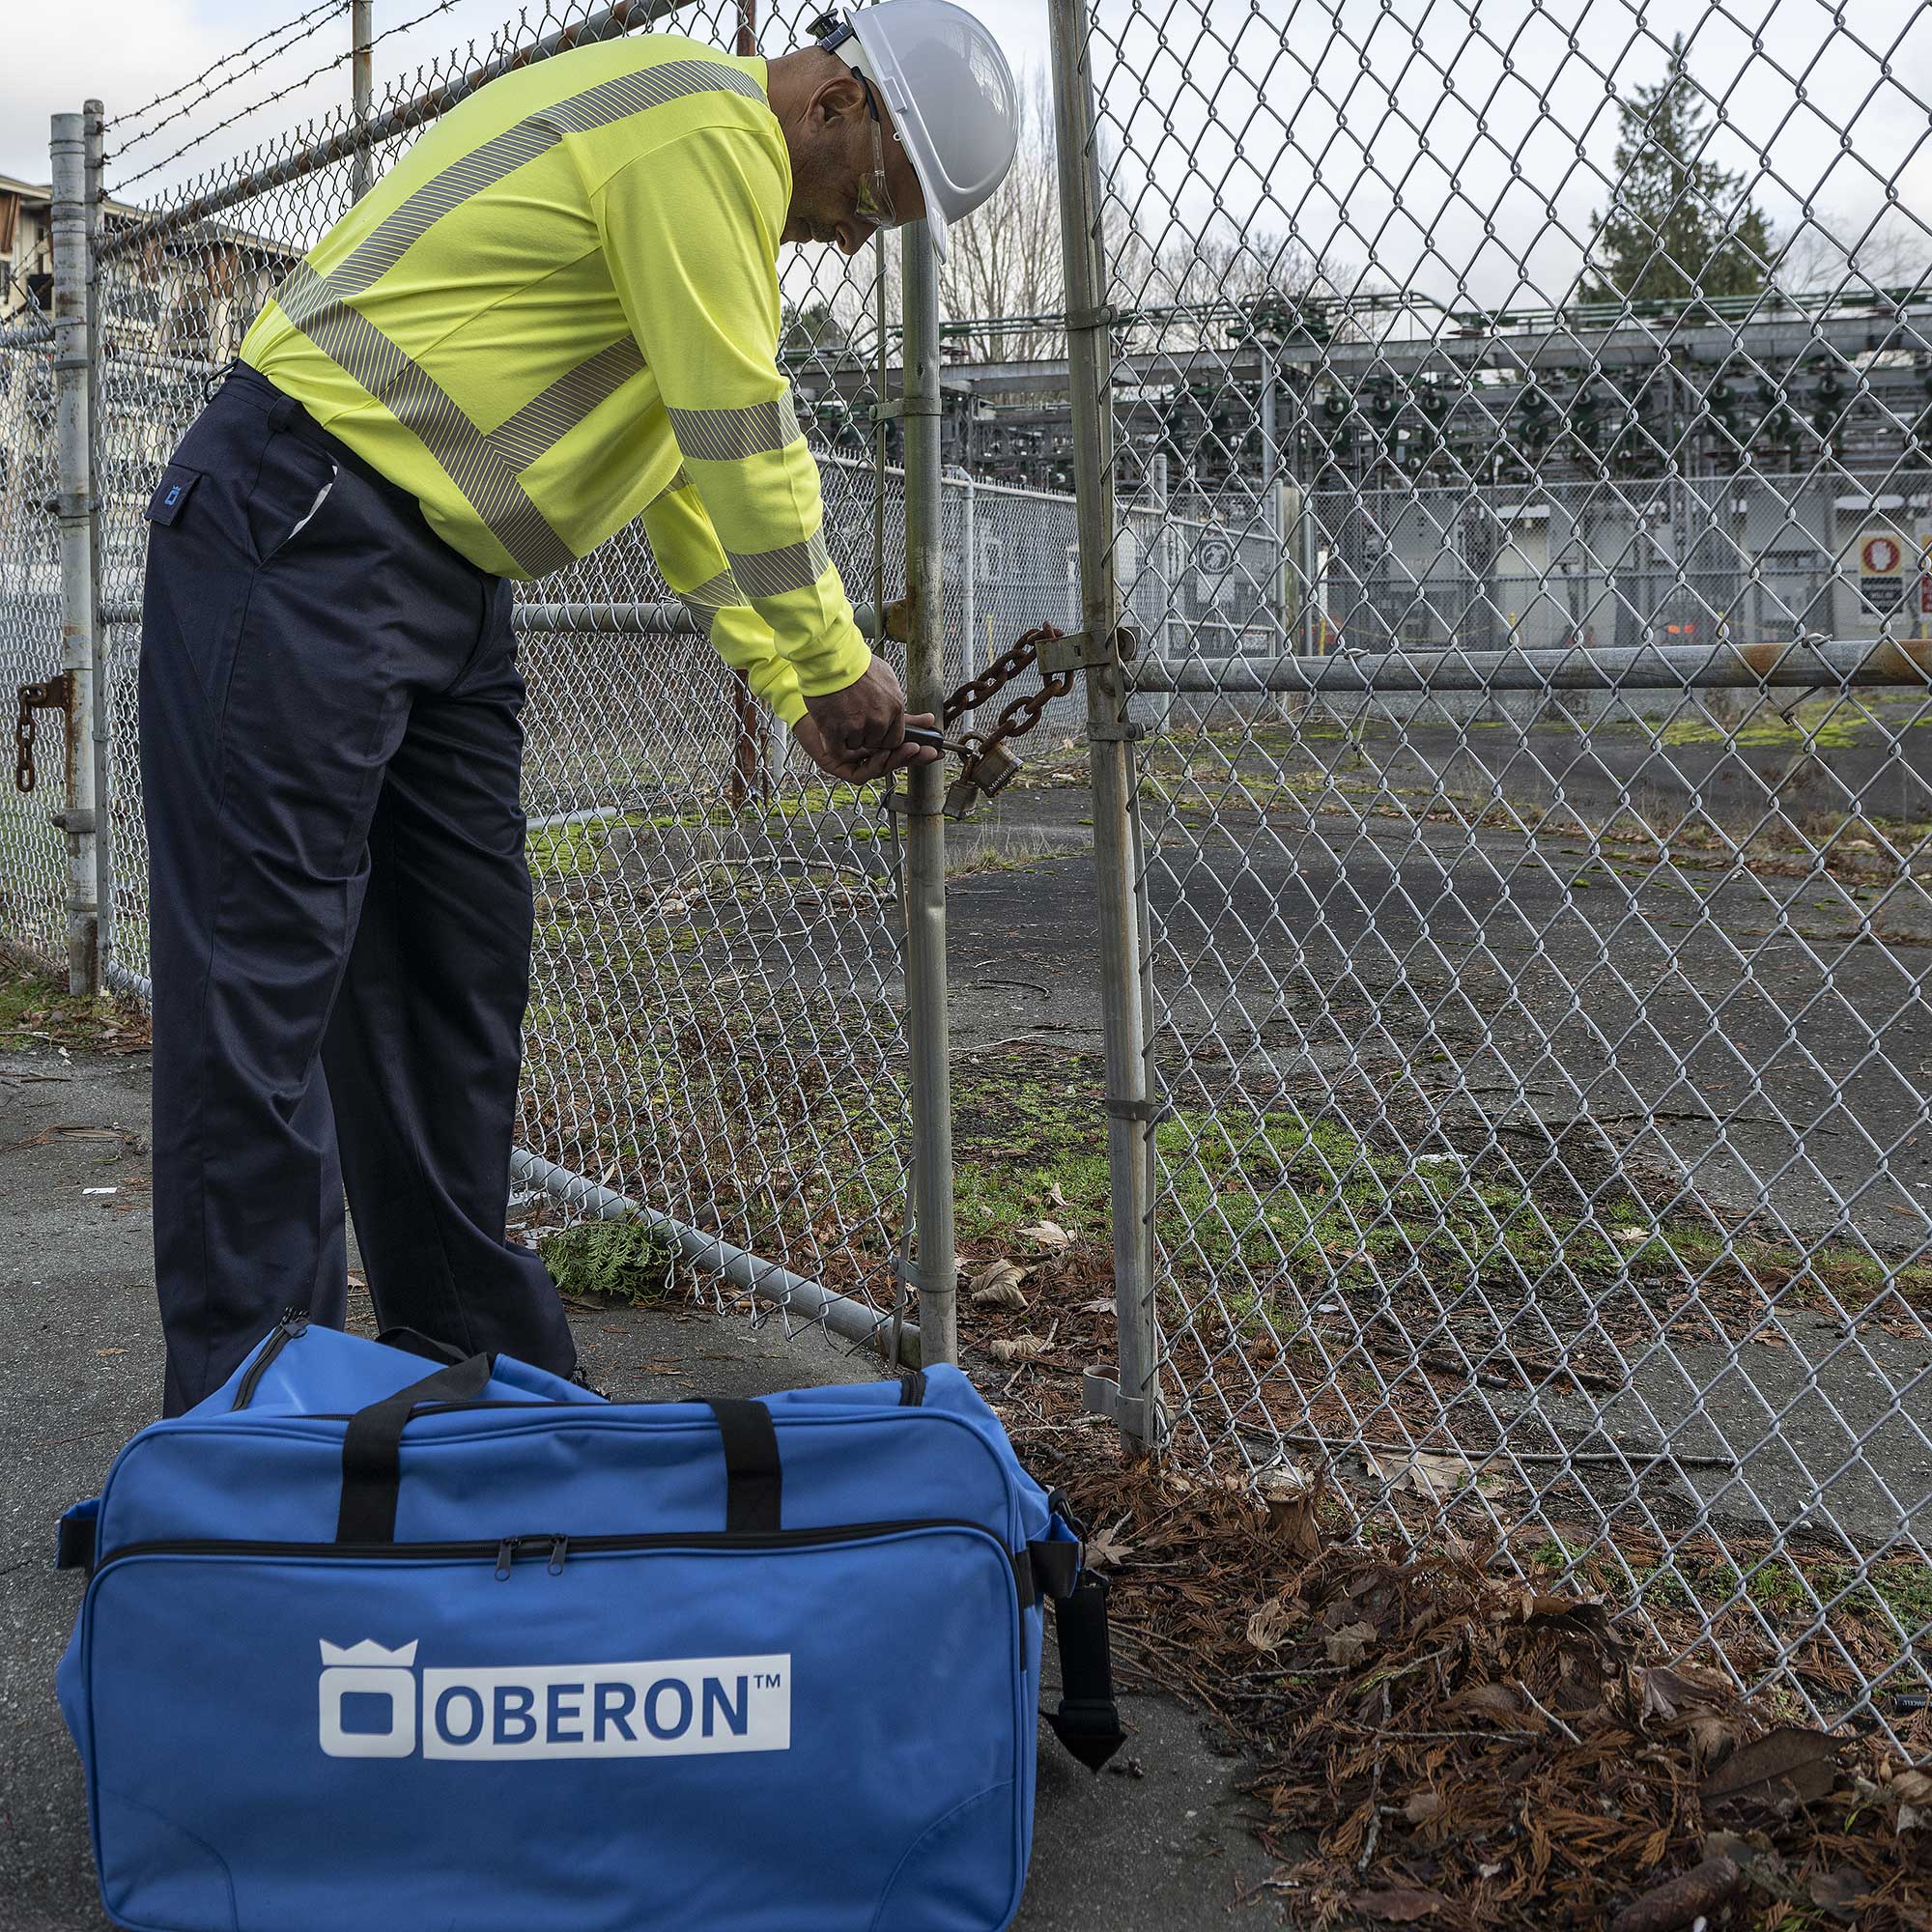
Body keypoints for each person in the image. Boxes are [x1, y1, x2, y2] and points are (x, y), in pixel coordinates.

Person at [138, 1, 1020, 1413]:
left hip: (440, 577)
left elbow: (680, 477)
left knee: (452, 988)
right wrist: (837, 654)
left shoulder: (708, 186)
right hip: (300, 520)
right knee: (264, 992)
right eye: (876, 202)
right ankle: (252, 1443)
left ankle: (471, 1397)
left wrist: (798, 685)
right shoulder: (700, 127)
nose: (856, 237)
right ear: (842, 103)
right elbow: (740, 426)